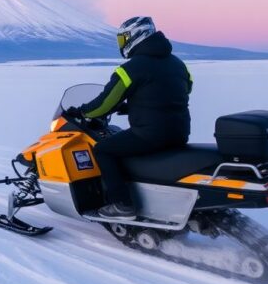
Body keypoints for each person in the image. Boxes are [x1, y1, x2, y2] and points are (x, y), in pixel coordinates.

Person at [63, 16, 193, 220]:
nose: (122, 44)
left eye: (123, 39)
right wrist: (135, 105)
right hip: (179, 132)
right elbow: (183, 90)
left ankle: (121, 204)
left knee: (104, 150)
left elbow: (104, 103)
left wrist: (81, 112)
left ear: (137, 36)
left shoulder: (131, 68)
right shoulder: (178, 64)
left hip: (150, 135)